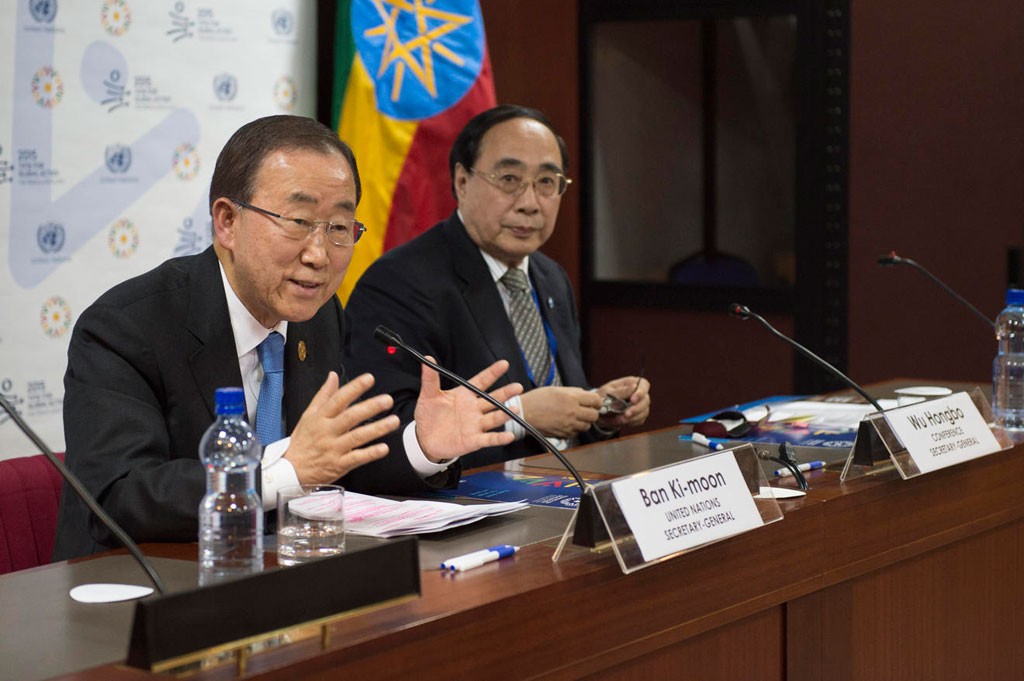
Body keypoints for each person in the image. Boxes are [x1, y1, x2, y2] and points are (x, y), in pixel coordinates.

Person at [53, 115, 520, 560]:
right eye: (298, 223)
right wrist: (283, 472)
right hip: (135, 594)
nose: (319, 255)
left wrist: (422, 445)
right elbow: (120, 497)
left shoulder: (319, 317)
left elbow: (335, 463)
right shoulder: (125, 328)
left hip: (277, 575)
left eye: (339, 228)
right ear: (227, 222)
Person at [344, 105, 650, 468]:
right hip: (472, 509)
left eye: (547, 183)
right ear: (461, 181)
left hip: (563, 495)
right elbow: (384, 432)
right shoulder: (399, 283)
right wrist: (517, 416)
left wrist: (597, 412)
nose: (530, 203)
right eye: (509, 179)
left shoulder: (551, 277)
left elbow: (556, 416)